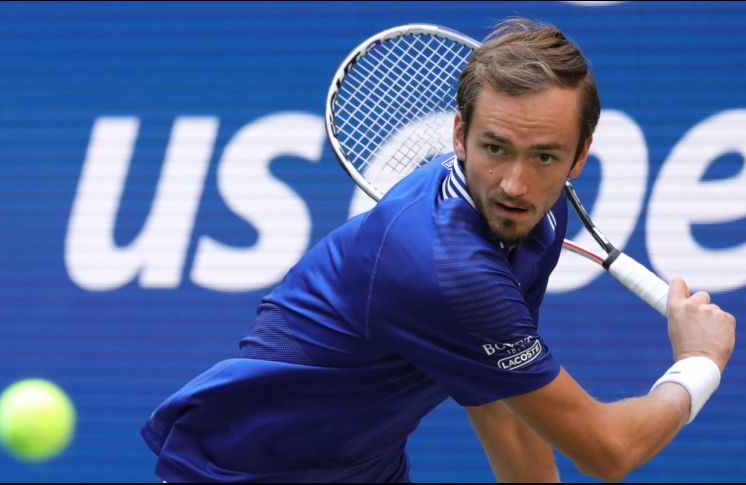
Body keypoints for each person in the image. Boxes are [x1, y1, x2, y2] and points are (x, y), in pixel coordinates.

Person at [142, 18, 735, 482]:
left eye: (544, 156)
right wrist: (697, 364)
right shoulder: (448, 268)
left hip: (361, 470)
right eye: (495, 148)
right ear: (458, 135)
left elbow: (501, 401)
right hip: (244, 472)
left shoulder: (535, 217)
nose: (515, 184)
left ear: (579, 156)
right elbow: (607, 451)